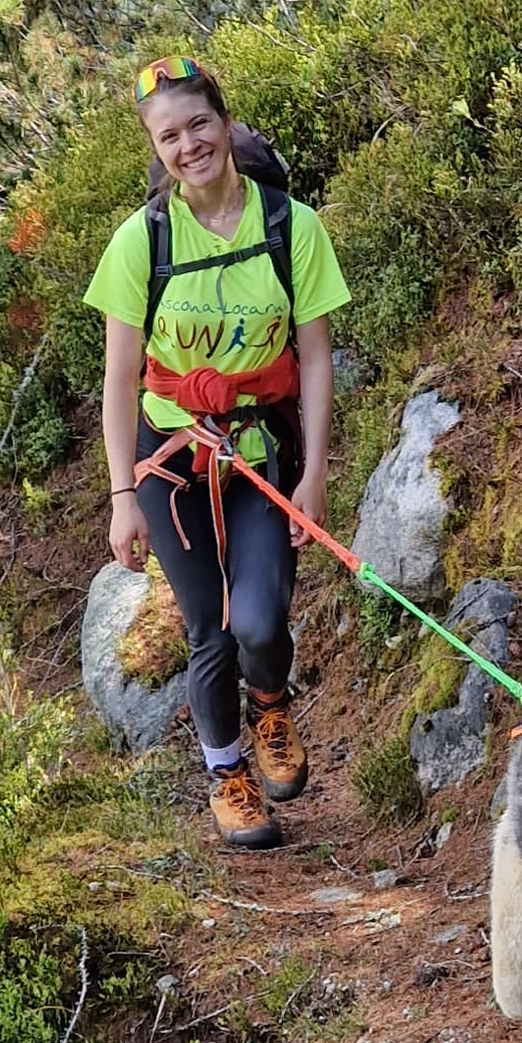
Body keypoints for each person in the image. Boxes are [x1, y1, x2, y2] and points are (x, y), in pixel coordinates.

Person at [84, 55, 350, 849]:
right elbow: (121, 378)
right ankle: (228, 774)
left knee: (262, 624)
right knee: (211, 629)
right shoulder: (142, 244)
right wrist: (121, 496)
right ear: (155, 150)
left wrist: (314, 475)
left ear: (226, 123)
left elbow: (314, 357)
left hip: (260, 449)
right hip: (170, 460)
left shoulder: (289, 226)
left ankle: (271, 704)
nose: (189, 144)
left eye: (199, 123)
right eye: (169, 135)